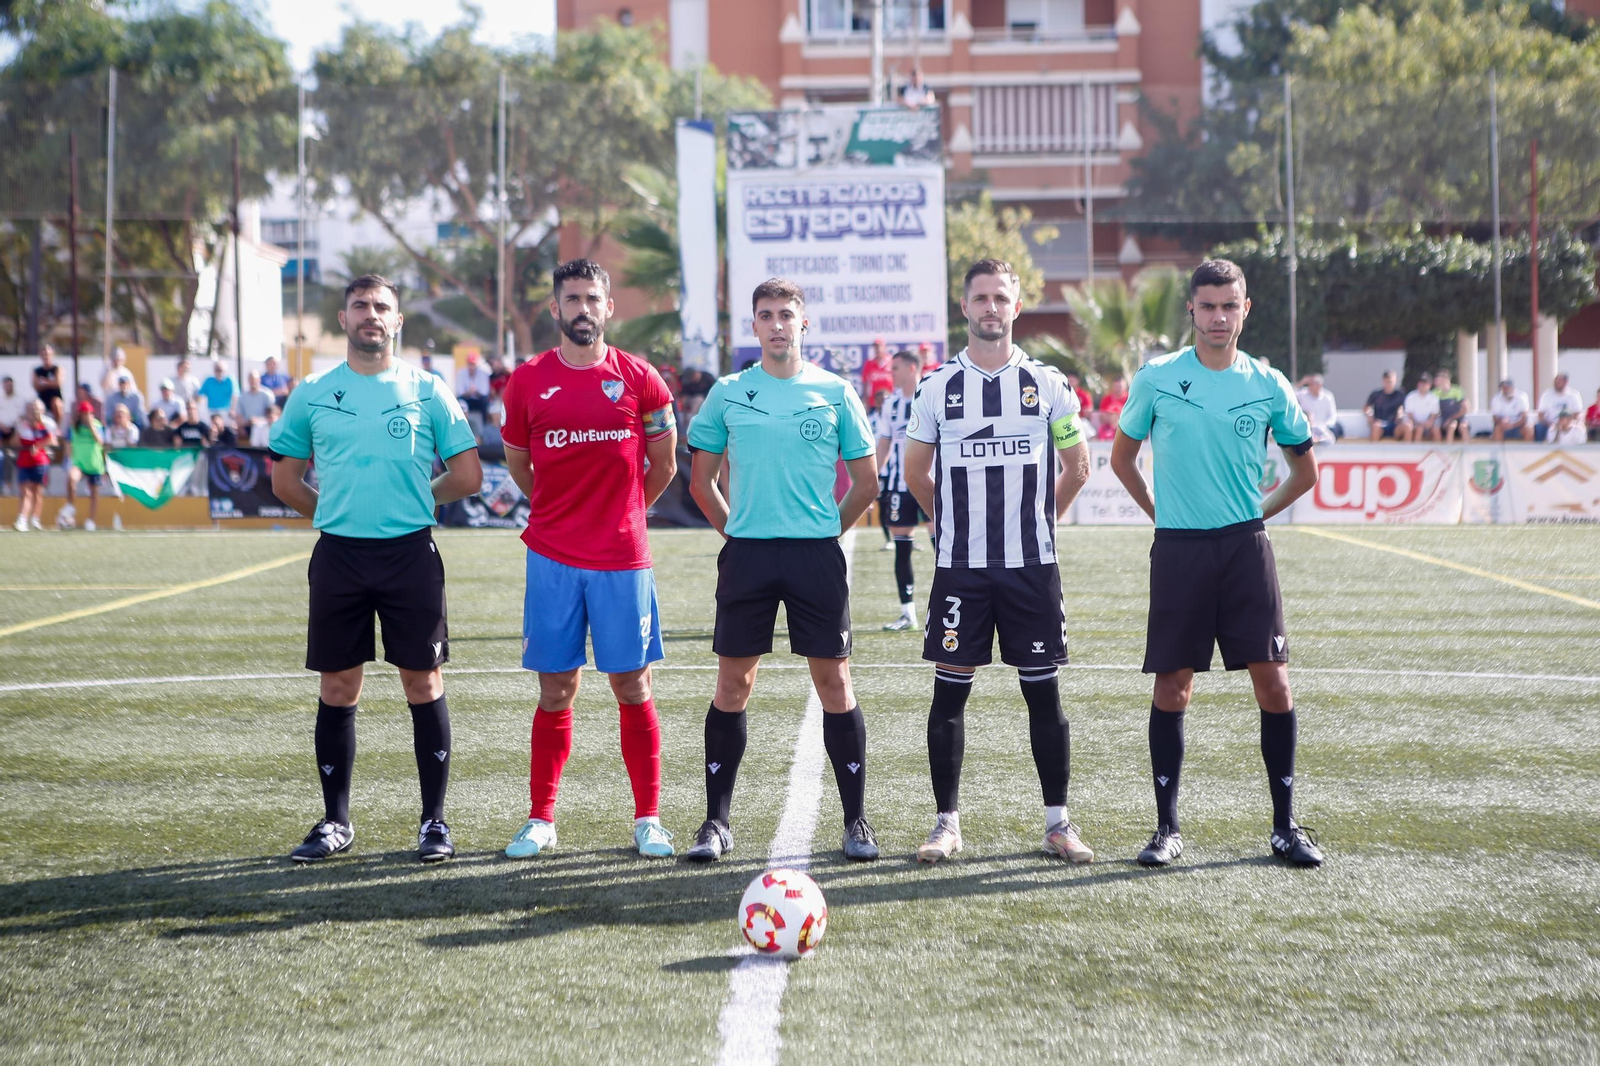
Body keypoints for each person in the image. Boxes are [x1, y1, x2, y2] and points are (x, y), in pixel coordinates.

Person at [1109, 258, 1322, 869]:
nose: (1219, 317)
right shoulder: (1156, 378)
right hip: (1178, 549)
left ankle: (1284, 828)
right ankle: (1166, 829)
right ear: (1191, 312)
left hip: (1245, 548)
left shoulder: (1268, 383)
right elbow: (1123, 459)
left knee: (1274, 682)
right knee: (1174, 686)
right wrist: (1158, 512)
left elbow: (1304, 472)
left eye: (1230, 306)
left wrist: (1260, 510)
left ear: (1246, 309)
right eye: (1208, 306)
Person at [269, 274, 482, 865]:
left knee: (424, 683)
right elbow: (285, 480)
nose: (370, 314)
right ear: (343, 319)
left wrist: (413, 501)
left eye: (381, 307)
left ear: (397, 321)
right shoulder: (312, 391)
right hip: (338, 555)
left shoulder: (428, 388)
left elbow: (468, 476)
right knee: (338, 686)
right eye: (360, 305)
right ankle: (336, 821)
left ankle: (433, 823)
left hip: (410, 554)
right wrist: (335, 514)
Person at [901, 258, 1094, 866]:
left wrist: (1038, 519)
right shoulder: (937, 388)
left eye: (1000, 298)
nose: (990, 307)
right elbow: (914, 472)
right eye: (980, 297)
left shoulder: (1050, 385)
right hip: (961, 568)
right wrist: (949, 523)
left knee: (1044, 695)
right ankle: (946, 825)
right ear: (965, 307)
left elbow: (1078, 466)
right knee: (949, 695)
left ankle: (1058, 825)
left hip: (1031, 567)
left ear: (1016, 307)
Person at [685, 277, 881, 863]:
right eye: (765, 314)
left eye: (786, 314)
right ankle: (716, 823)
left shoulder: (835, 391)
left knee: (835, 684)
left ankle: (856, 822)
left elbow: (865, 482)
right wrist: (739, 532)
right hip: (747, 555)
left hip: (814, 556)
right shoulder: (727, 393)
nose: (776, 324)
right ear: (753, 326)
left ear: (804, 324)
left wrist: (826, 532)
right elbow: (701, 482)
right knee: (733, 684)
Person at [497, 258, 680, 861]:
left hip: (623, 558)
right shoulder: (526, 381)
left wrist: (625, 512)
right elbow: (520, 466)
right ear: (555, 308)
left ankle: (649, 818)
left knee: (632, 684)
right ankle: (541, 818)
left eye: (592, 299)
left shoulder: (642, 378)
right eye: (571, 299)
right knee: (557, 689)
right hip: (552, 556)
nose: (582, 309)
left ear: (608, 307)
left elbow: (665, 465)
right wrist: (561, 513)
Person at [875, 350, 926, 632]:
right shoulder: (891, 404)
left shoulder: (931, 396)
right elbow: (884, 443)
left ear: (911, 368)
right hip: (898, 485)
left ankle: (960, 609)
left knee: (943, 546)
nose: (890, 373)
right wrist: (874, 478)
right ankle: (908, 613)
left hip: (932, 485)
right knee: (902, 550)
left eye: (895, 368)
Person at [13, 400, 55, 531]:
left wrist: (38, 446)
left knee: (37, 492)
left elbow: (52, 440)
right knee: (25, 492)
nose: (33, 411)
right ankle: (22, 519)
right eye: (30, 408)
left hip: (39, 462)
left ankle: (35, 519)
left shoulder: (45, 424)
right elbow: (15, 442)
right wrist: (18, 428)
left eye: (35, 409)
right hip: (24, 461)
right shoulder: (22, 424)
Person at [68, 401, 107, 530]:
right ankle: (71, 507)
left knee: (94, 493)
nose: (85, 416)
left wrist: (91, 427)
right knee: (71, 479)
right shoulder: (75, 427)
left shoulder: (97, 425)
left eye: (88, 414)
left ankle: (91, 521)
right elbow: (67, 441)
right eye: (83, 414)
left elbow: (100, 441)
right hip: (79, 462)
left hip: (94, 464)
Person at [1535, 373, 1584, 443]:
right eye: (1556, 381)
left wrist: (1568, 422)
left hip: (1569, 423)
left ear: (1565, 382)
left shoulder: (1574, 395)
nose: (1557, 383)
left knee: (1579, 428)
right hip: (1550, 423)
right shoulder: (1547, 395)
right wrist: (1551, 424)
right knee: (1539, 427)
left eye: (1559, 381)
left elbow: (1577, 413)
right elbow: (1541, 415)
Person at [1295, 374, 1341, 445]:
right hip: (1308, 427)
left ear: (1319, 385)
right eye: (1309, 384)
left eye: (1312, 384)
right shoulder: (1302, 394)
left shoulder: (1328, 397)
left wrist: (1325, 425)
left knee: (1331, 437)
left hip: (1324, 427)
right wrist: (1301, 382)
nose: (1310, 386)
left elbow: (1333, 415)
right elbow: (1289, 393)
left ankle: (1318, 440)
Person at [1364, 371, 1406, 440]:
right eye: (1387, 382)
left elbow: (1403, 408)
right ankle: (1374, 449)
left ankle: (1407, 450)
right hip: (1380, 423)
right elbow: (1366, 407)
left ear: (1395, 381)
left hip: (1394, 424)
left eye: (1391, 382)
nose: (1389, 384)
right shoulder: (1376, 394)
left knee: (1407, 427)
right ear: (1383, 381)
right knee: (1375, 427)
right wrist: (1369, 414)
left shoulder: (1400, 394)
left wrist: (1400, 414)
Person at [0, 376, 24, 495]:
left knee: (12, 457)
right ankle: (6, 485)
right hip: (1, 431)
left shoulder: (20, 400)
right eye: (6, 385)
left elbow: (21, 418)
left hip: (16, 431)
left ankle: (16, 485)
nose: (9, 387)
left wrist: (14, 431)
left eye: (11, 385)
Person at [1400, 374, 1439, 442]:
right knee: (1413, 428)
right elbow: (1409, 414)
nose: (1422, 385)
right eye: (1421, 383)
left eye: (1425, 383)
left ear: (1429, 385)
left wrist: (1428, 422)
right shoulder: (1411, 396)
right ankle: (1409, 450)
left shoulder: (1434, 398)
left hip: (1427, 424)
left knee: (1436, 430)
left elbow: (1434, 415)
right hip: (1413, 422)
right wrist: (1418, 423)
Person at [454, 350, 491, 421]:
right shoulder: (461, 373)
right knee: (460, 402)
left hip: (479, 400)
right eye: (470, 364)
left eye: (473, 364)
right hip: (467, 399)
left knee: (485, 401)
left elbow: (485, 392)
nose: (471, 367)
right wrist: (469, 392)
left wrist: (475, 392)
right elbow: (460, 392)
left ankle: (484, 424)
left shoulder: (483, 374)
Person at [1434, 371, 1468, 443]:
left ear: (1445, 380)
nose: (1436, 382)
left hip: (1458, 417)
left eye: (1438, 380)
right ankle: (1449, 450)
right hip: (1445, 419)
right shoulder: (1435, 392)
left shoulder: (1457, 390)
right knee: (1452, 426)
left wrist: (1452, 418)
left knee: (1463, 427)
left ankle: (1468, 451)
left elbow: (1465, 409)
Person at [860, 337, 894, 409]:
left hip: (890, 400)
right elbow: (865, 384)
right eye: (875, 347)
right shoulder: (869, 364)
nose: (877, 348)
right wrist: (867, 402)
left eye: (879, 346)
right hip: (874, 403)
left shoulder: (891, 362)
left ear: (884, 347)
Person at [33, 344, 63, 424]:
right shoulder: (37, 371)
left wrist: (43, 382)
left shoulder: (57, 369)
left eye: (47, 354)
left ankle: (57, 427)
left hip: (55, 398)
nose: (45, 356)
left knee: (56, 403)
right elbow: (36, 386)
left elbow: (58, 383)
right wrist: (50, 382)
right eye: (43, 354)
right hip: (42, 399)